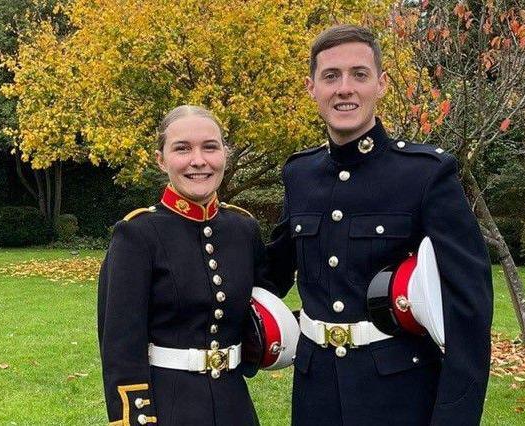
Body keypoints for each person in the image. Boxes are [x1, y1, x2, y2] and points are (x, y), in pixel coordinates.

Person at [265, 25, 493, 425]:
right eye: (331, 76)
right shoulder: (300, 174)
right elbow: (271, 272)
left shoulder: (425, 174)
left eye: (359, 74)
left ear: (382, 84)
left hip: (400, 395)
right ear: (311, 88)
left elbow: (469, 310)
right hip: (315, 395)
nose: (344, 88)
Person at [98, 105, 265, 426]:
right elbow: (121, 347)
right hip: (169, 405)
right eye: (182, 148)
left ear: (225, 155)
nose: (198, 160)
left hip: (235, 405)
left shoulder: (242, 228)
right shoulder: (136, 234)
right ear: (161, 159)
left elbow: (268, 295)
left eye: (210, 147)